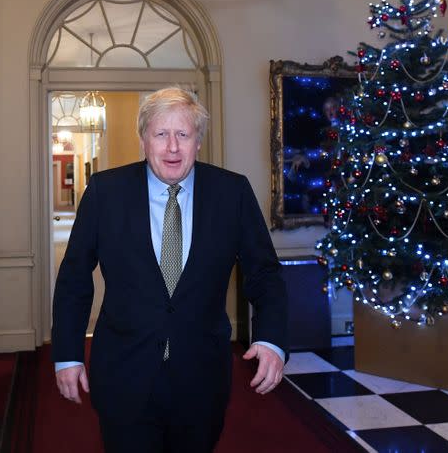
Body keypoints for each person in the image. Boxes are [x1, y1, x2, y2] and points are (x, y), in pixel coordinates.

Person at [52, 87, 289, 452]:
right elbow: (74, 278)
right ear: (144, 140)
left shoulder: (232, 193)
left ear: (198, 141)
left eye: (183, 134)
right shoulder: (105, 192)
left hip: (202, 378)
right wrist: (67, 353)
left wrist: (271, 339)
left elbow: (265, 274)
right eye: (161, 134)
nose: (172, 147)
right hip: (124, 374)